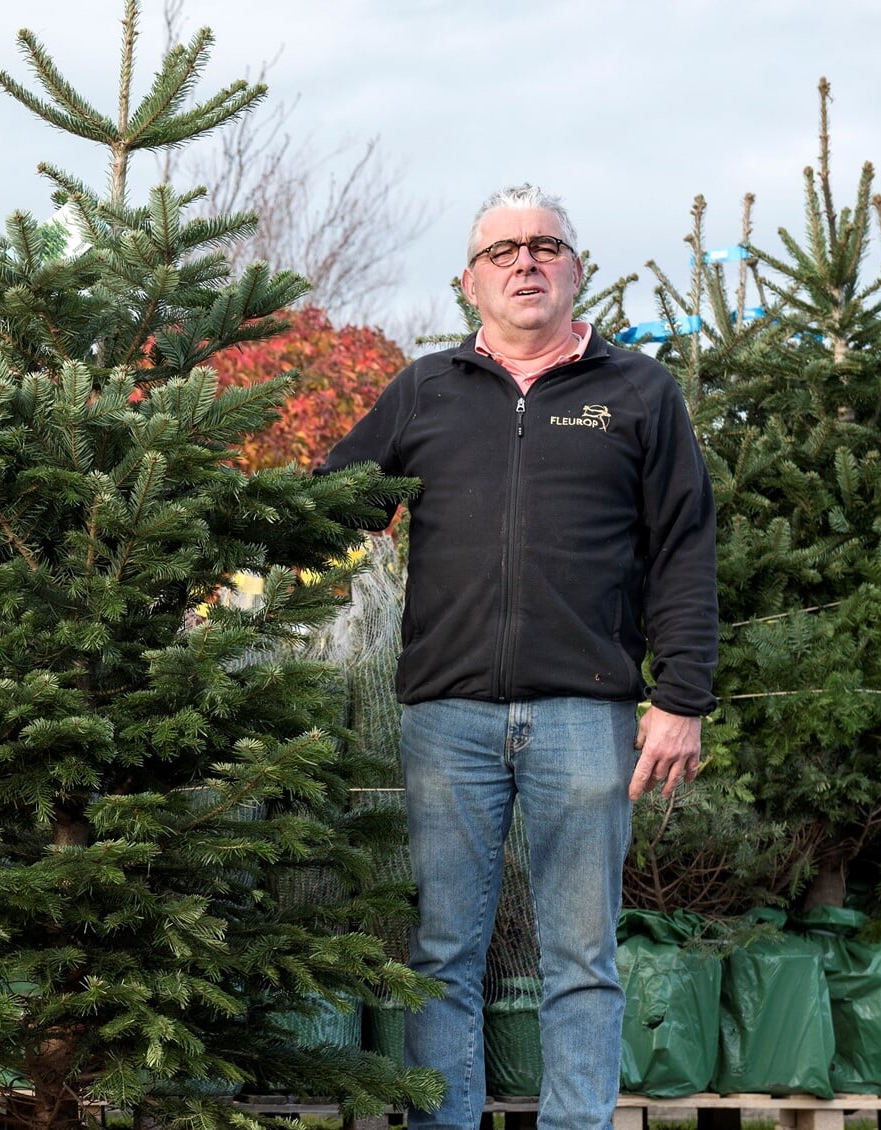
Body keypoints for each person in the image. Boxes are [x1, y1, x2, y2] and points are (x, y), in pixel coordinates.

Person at [318, 184, 716, 1130]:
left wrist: (683, 696)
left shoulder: (638, 392)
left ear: (577, 271)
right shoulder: (425, 389)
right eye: (503, 252)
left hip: (587, 714)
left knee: (583, 957)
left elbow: (685, 548)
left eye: (545, 246)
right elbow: (333, 502)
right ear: (469, 283)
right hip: (446, 715)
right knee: (443, 952)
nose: (526, 262)